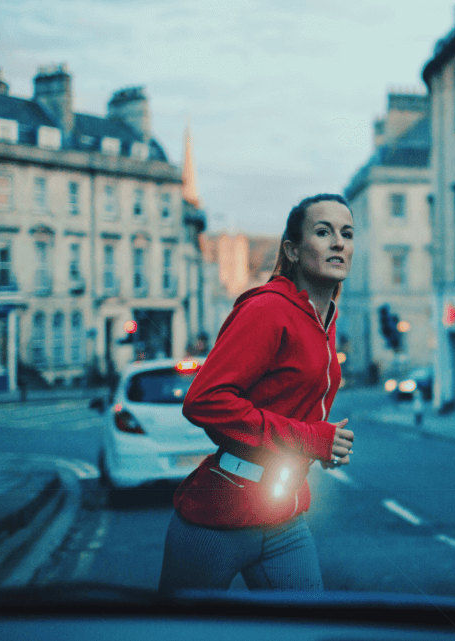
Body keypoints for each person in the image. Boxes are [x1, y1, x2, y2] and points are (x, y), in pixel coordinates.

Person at [158, 193, 355, 593]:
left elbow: (288, 402)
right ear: (293, 250)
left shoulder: (325, 320)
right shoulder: (267, 309)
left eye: (347, 233)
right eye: (323, 232)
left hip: (284, 514)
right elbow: (204, 401)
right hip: (220, 516)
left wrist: (316, 448)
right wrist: (310, 439)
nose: (339, 242)